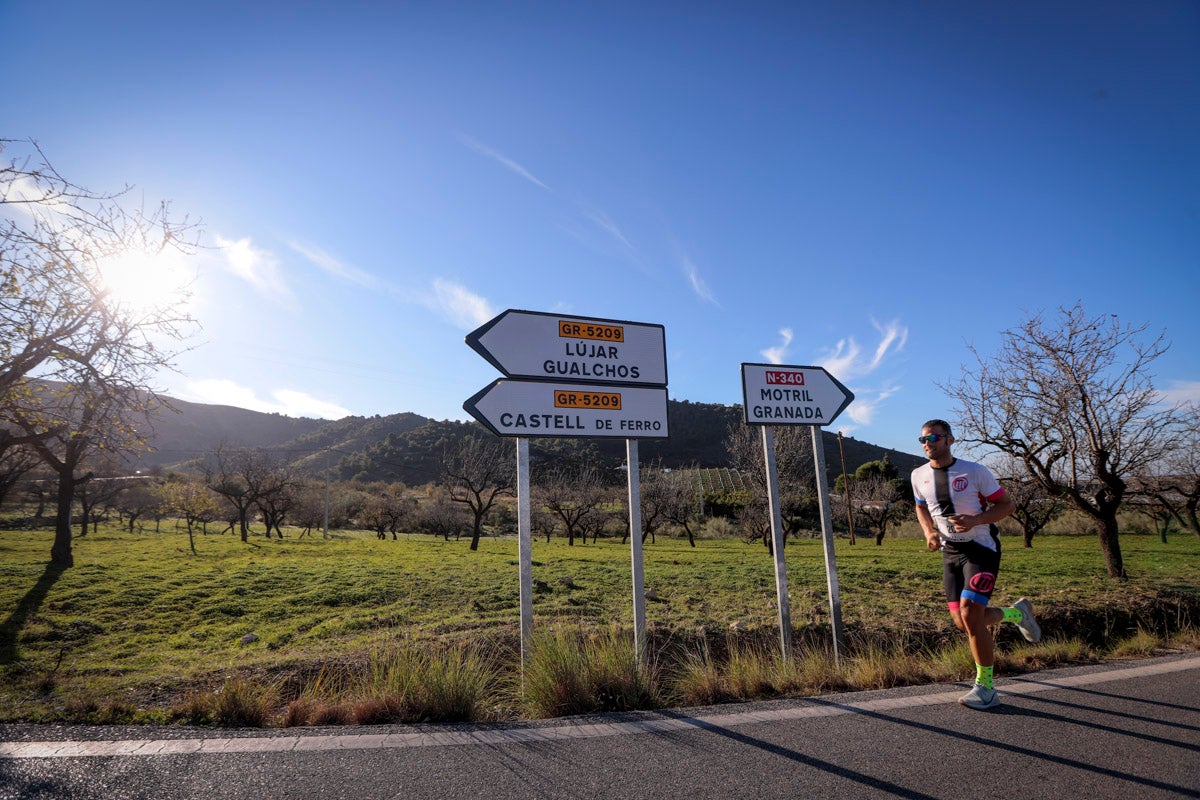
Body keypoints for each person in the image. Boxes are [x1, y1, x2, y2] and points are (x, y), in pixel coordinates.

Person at [911, 419, 1041, 710]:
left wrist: (975, 520)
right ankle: (1017, 614)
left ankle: (986, 688)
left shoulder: (974, 471)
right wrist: (929, 532)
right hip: (950, 553)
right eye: (922, 439)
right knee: (963, 622)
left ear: (949, 440)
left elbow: (1007, 506)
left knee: (971, 614)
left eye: (933, 437)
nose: (927, 443)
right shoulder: (918, 475)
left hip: (981, 550)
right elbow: (920, 506)